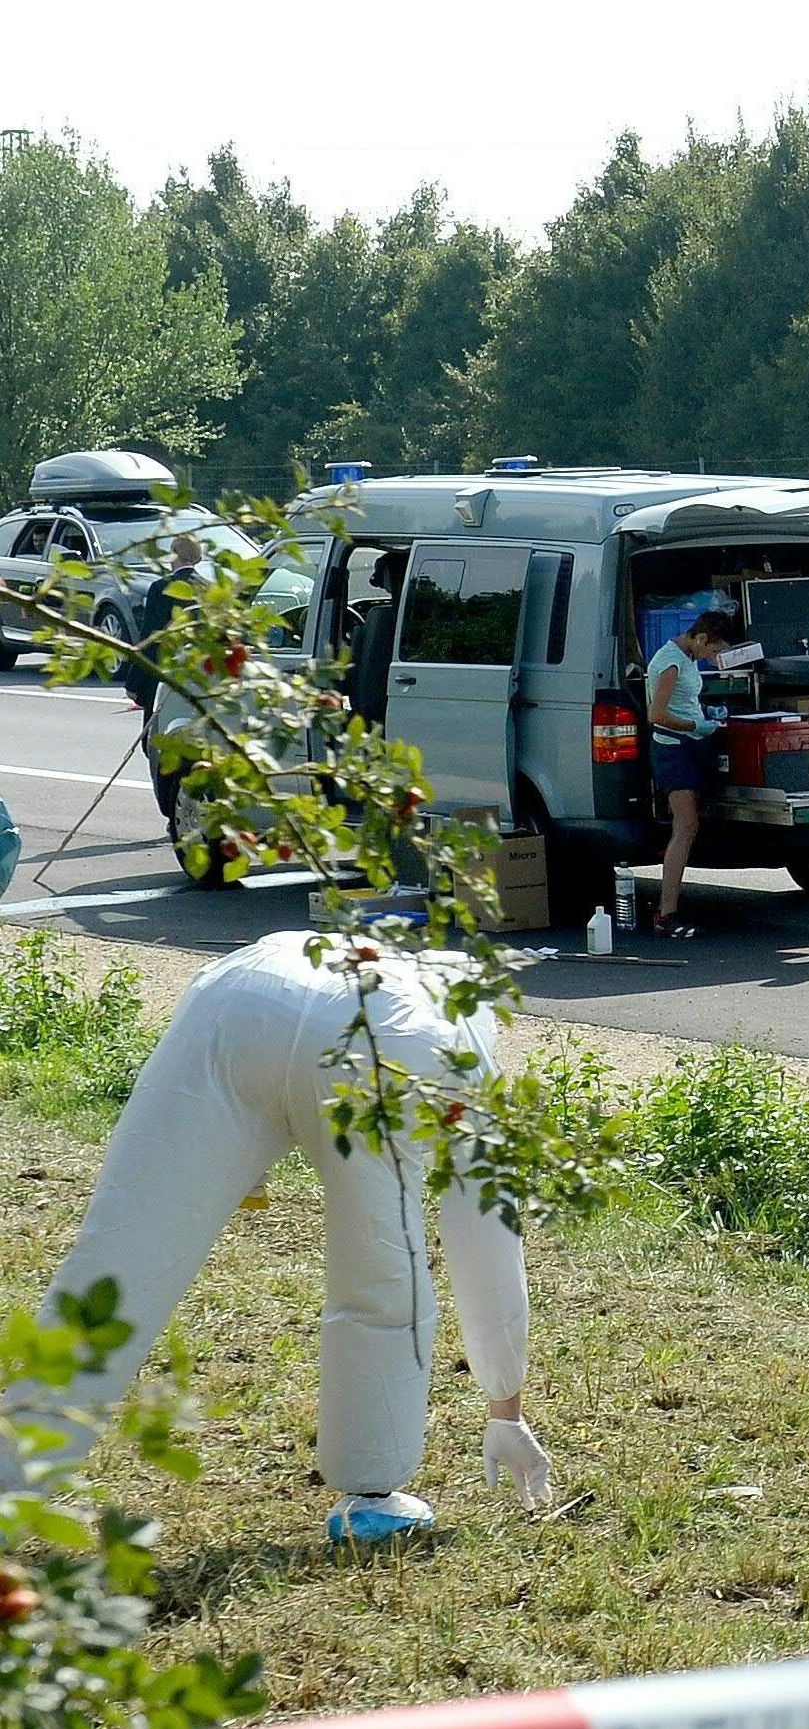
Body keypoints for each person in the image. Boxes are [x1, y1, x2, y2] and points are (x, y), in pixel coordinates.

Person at [2, 931, 552, 1544]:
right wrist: (507, 1406)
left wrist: (238, 1168)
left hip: (234, 1000)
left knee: (118, 1259)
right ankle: (372, 1496)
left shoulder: (308, 953)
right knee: (381, 1273)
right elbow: (486, 1239)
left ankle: (8, 1478)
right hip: (379, 1049)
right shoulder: (464, 1043)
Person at [645, 605, 745, 938]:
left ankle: (668, 908)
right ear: (700, 638)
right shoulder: (671, 662)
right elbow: (656, 715)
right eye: (713, 650)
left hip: (688, 744)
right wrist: (695, 725)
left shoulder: (686, 657)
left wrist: (702, 718)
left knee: (690, 826)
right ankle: (666, 913)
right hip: (673, 750)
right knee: (684, 825)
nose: (713, 657)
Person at [123, 531, 205, 713]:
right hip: (197, 673)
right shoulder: (208, 588)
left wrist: (134, 682)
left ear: (173, 555)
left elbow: (151, 637)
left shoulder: (161, 588)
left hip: (164, 672)